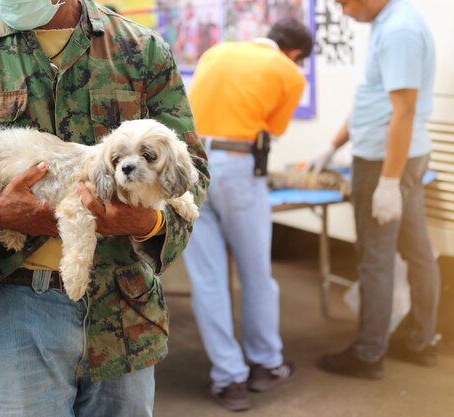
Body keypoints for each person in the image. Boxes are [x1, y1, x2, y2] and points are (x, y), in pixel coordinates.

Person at [0, 1, 208, 416]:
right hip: (14, 305)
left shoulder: (142, 50)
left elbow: (193, 168)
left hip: (124, 307)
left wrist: (148, 222)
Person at [183, 18, 313, 412]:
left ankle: (229, 379)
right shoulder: (289, 73)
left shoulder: (216, 51)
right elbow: (272, 130)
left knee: (207, 280)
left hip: (189, 168)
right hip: (239, 170)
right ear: (295, 54)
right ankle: (266, 364)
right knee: (256, 273)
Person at [310, 0, 440, 380]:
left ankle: (368, 353)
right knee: (418, 250)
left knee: (376, 255)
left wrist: (387, 181)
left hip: (385, 161)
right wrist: (332, 145)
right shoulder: (393, 22)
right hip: (405, 156)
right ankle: (421, 340)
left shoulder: (398, 30)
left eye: (345, 3)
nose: (345, 13)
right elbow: (373, 98)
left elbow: (403, 110)